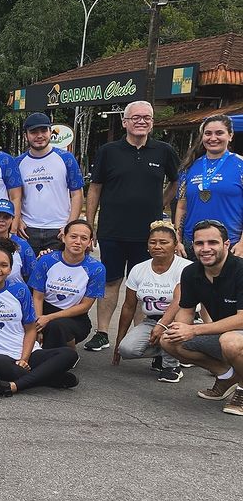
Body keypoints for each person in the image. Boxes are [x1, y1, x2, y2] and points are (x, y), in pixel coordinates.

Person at [84, 101, 181, 353]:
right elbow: (95, 188)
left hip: (148, 234)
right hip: (112, 229)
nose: (141, 121)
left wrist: (161, 205)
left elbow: (175, 181)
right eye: (135, 117)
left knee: (142, 286)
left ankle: (141, 337)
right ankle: (102, 332)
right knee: (111, 282)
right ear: (124, 122)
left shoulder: (164, 151)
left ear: (152, 122)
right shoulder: (108, 151)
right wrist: (90, 223)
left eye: (146, 117)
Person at [0, 238, 80, 397]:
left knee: (69, 354)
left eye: (4, 265)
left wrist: (24, 359)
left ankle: (12, 386)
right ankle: (52, 378)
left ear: (10, 269)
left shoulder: (20, 289)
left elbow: (31, 329)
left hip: (28, 351)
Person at [159, 220, 243, 414]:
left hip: (234, 336)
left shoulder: (240, 270)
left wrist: (193, 330)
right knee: (168, 340)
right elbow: (187, 311)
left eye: (212, 242)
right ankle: (226, 376)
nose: (205, 249)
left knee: (230, 341)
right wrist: (178, 330)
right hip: (224, 335)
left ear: (226, 245)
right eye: (199, 243)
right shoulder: (191, 272)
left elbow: (241, 319)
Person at [111, 220, 192, 382]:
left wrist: (162, 325)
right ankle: (165, 351)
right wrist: (119, 340)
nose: (157, 246)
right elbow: (128, 306)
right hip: (151, 321)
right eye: (153, 242)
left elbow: (179, 300)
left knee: (171, 329)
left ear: (175, 245)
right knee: (126, 349)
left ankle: (172, 365)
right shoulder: (139, 269)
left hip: (182, 321)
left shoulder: (186, 267)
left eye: (164, 242)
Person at [29, 220, 105, 349]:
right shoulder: (47, 260)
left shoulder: (96, 268)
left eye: (84, 238)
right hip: (43, 309)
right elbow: (37, 297)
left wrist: (48, 318)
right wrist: (37, 327)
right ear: (64, 237)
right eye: (73, 236)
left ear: (89, 242)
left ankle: (68, 353)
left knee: (56, 326)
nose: (78, 241)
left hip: (74, 317)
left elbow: (85, 306)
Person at [175, 114, 243, 258]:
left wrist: (242, 243)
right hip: (192, 244)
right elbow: (181, 206)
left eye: (219, 133)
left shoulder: (240, 165)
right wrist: (178, 239)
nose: (213, 138)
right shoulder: (189, 167)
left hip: (229, 244)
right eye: (208, 133)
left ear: (230, 135)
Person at [16, 112, 84, 254]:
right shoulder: (18, 162)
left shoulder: (66, 158)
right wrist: (18, 220)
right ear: (26, 135)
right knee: (28, 274)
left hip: (58, 229)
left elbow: (77, 194)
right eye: (34, 132)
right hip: (28, 230)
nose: (39, 136)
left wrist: (69, 225)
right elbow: (14, 196)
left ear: (50, 132)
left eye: (43, 130)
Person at [0, 199, 37, 282]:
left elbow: (33, 278)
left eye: (6, 217)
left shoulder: (22, 245)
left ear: (13, 219)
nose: (1, 220)